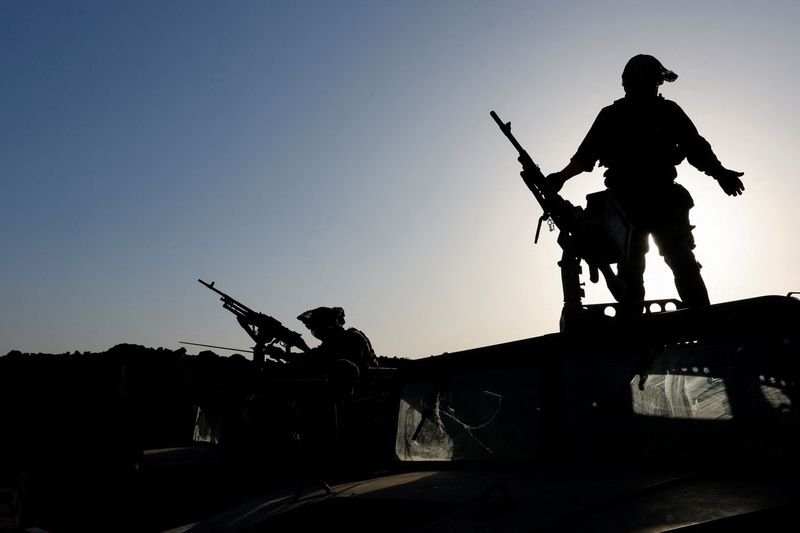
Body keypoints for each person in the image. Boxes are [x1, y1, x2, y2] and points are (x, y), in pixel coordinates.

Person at [544, 54, 744, 312]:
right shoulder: (611, 116)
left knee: (682, 261)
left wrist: (721, 174)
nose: (654, 85)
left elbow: (696, 148)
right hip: (626, 205)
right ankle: (635, 336)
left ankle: (702, 323)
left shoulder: (668, 111)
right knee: (632, 272)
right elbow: (586, 156)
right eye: (650, 79)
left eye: (656, 80)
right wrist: (561, 177)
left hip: (663, 200)